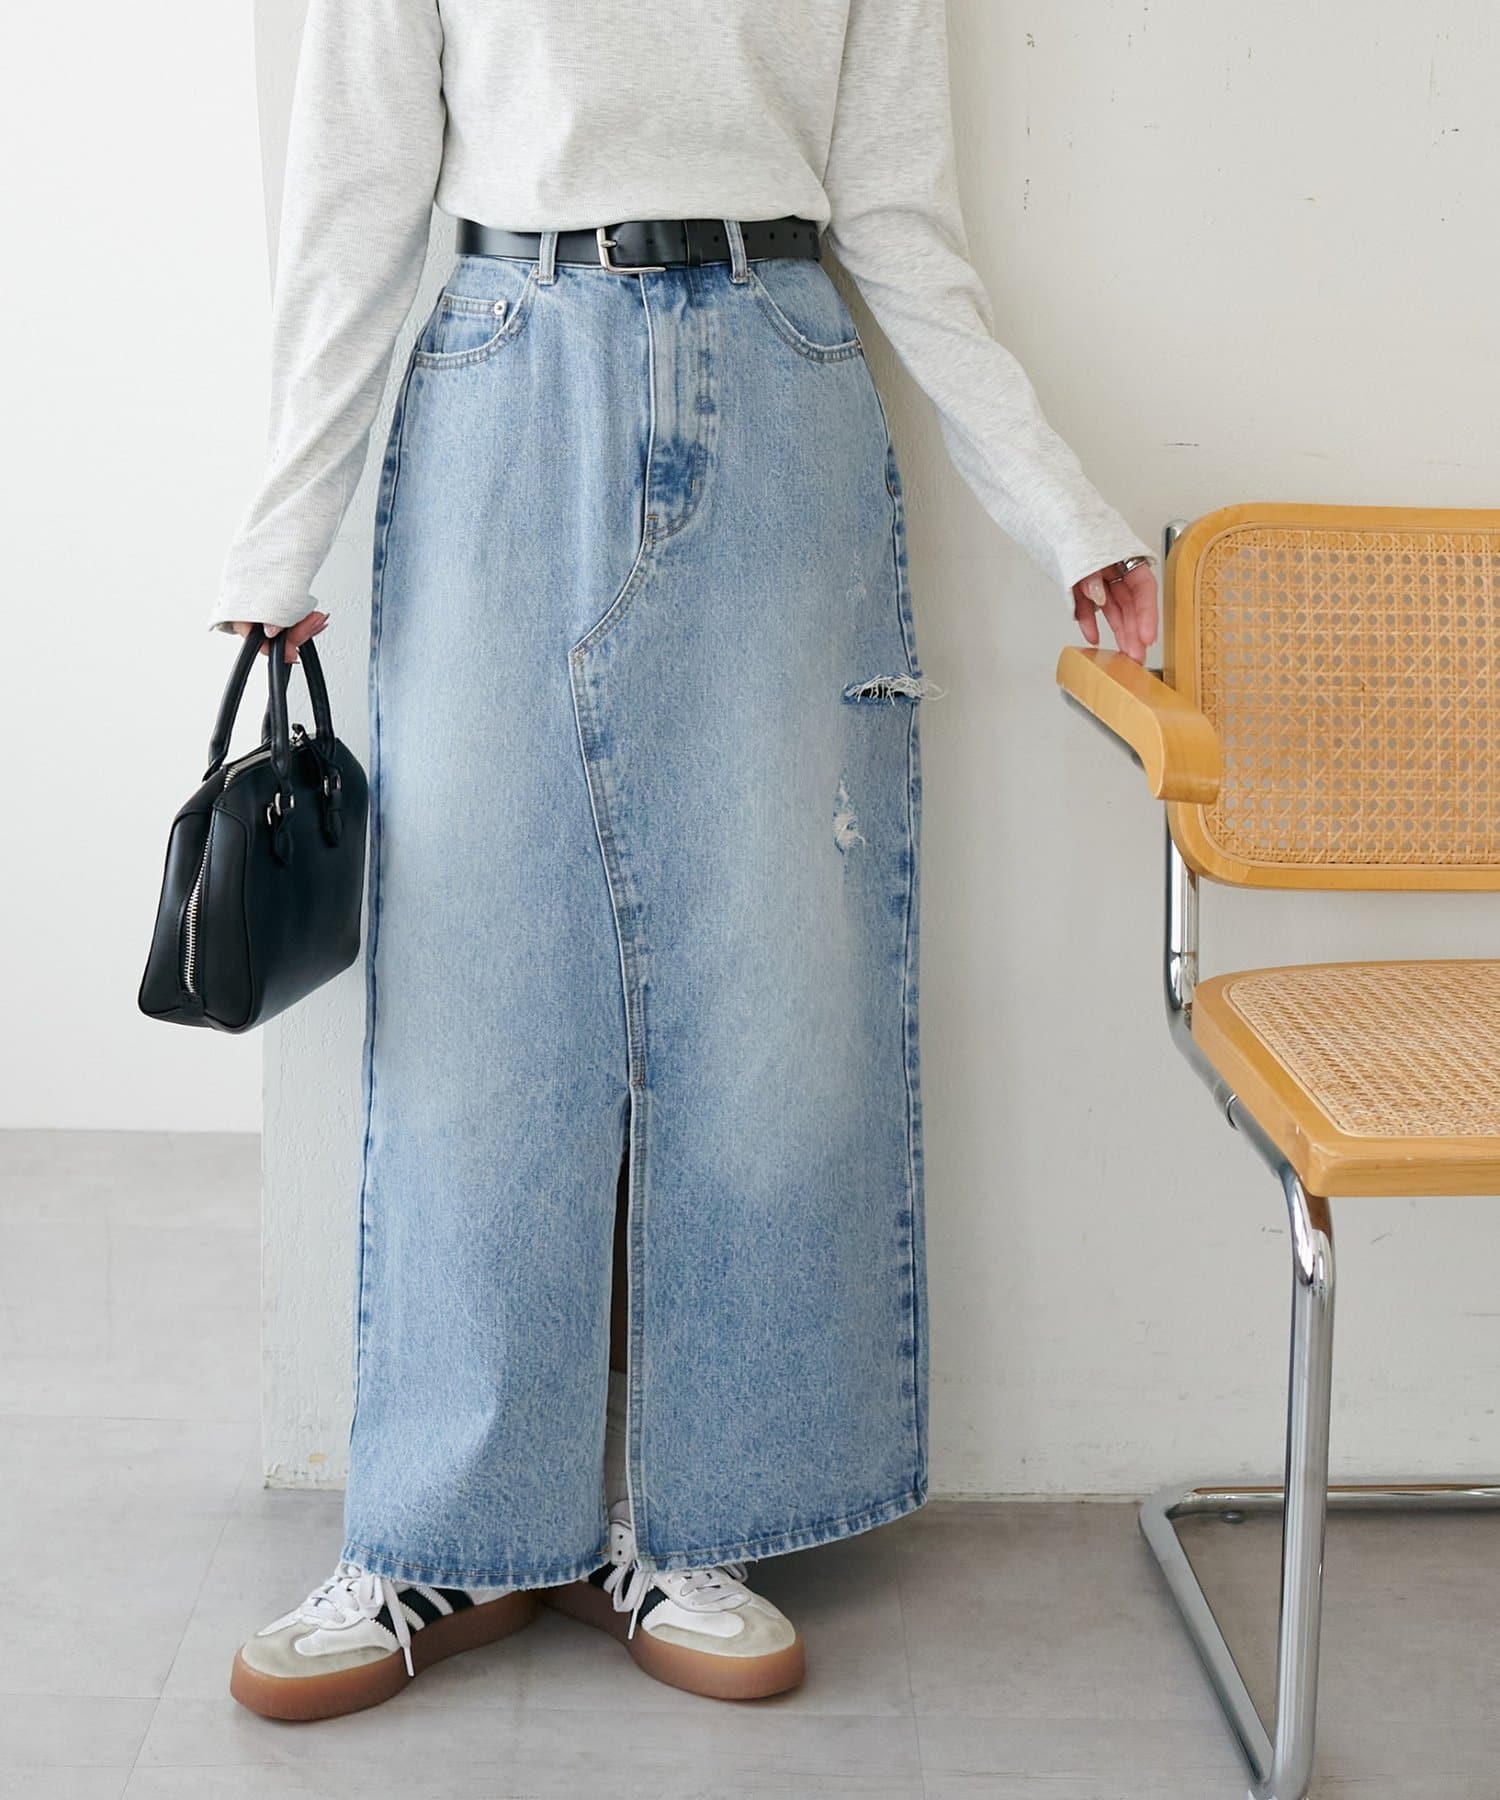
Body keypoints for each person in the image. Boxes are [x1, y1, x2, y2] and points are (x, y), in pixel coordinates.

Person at [215, 0, 1160, 1722]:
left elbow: (899, 219)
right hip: (507, 369)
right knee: (479, 989)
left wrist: (1061, 510)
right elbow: (358, 190)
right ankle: (443, 1531)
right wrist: (285, 527)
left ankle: (699, 1520)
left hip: (781, 373)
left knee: (775, 987)